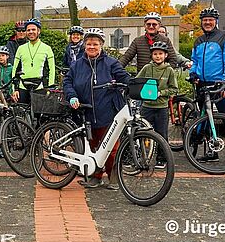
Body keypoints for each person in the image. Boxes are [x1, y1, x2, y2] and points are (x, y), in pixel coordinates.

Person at [65, 28, 131, 190]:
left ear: (101, 45)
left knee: (112, 147)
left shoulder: (111, 63)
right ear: (84, 46)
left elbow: (125, 78)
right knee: (94, 146)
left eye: (95, 44)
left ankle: (114, 177)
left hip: (108, 111)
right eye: (88, 44)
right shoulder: (77, 65)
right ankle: (96, 176)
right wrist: (72, 96)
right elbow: (67, 82)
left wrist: (135, 85)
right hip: (85, 111)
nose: (92, 47)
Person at [188, 7, 225, 164]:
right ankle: (211, 152)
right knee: (205, 117)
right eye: (205, 20)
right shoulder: (198, 41)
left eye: (210, 20)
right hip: (202, 84)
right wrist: (193, 74)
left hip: (219, 84)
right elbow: (195, 61)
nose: (207, 22)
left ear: (216, 21)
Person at [135, 41, 179, 140]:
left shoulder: (169, 70)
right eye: (155, 54)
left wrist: (161, 93)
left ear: (166, 55)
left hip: (161, 108)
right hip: (147, 107)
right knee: (144, 134)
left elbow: (174, 89)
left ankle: (162, 155)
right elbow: (137, 81)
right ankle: (146, 154)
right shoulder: (147, 68)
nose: (158, 56)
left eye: (160, 54)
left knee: (162, 135)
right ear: (151, 55)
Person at [119, 13, 189, 70]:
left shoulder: (165, 40)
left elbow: (173, 59)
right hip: (143, 79)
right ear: (144, 25)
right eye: (148, 24)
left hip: (161, 80)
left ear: (159, 26)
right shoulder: (138, 41)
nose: (151, 26)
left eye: (154, 24)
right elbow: (126, 57)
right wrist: (116, 69)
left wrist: (166, 73)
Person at [11, 19, 56, 104]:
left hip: (40, 86)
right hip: (22, 86)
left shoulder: (47, 48)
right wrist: (15, 89)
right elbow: (15, 70)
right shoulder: (21, 49)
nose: (31, 32)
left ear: (38, 31)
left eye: (33, 29)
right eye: (28, 30)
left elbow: (52, 70)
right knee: (21, 115)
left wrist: (50, 88)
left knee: (38, 116)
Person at [0, 45, 14, 160]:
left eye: (3, 56)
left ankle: (9, 145)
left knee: (9, 122)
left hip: (8, 98)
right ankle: (2, 147)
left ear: (7, 57)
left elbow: (14, 82)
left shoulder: (11, 68)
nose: (1, 58)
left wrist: (13, 92)